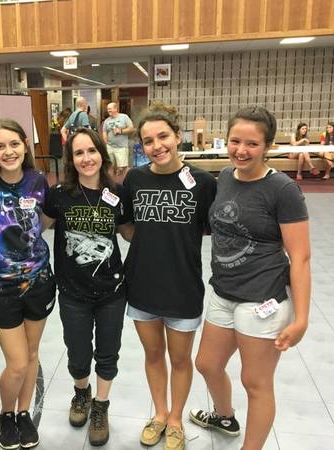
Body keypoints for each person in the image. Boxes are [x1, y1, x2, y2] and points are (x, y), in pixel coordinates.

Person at [189, 106, 311, 450]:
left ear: (267, 146)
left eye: (252, 144)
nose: (241, 150)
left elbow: (300, 258)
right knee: (207, 364)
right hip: (223, 292)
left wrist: (301, 318)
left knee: (255, 382)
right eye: (235, 141)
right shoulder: (226, 177)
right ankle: (225, 417)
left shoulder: (283, 190)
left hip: (263, 299)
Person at [123, 103, 217, 450]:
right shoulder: (135, 179)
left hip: (183, 286)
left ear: (178, 137)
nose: (156, 145)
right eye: (148, 141)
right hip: (143, 283)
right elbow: (127, 226)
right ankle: (160, 413)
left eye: (163, 136)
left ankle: (176, 418)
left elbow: (209, 228)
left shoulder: (203, 183)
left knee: (179, 359)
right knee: (152, 355)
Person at [41, 128, 133, 447]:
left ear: (102, 155)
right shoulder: (59, 195)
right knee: (78, 354)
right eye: (78, 153)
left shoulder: (118, 193)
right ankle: (82, 393)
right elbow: (36, 228)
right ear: (71, 159)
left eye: (91, 151)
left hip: (111, 292)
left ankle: (101, 407)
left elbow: (128, 232)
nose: (86, 158)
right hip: (72, 293)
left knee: (107, 353)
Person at [0, 119, 56, 450]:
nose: (8, 152)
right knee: (17, 362)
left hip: (38, 281)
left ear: (25, 145)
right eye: (0, 146)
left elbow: (43, 221)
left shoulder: (37, 180)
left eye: (14, 144)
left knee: (31, 354)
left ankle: (23, 414)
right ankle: (6, 414)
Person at [102, 102, 135, 177]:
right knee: (110, 166)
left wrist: (121, 131)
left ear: (116, 109)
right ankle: (111, 182)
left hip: (121, 147)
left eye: (110, 108)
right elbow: (104, 132)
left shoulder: (124, 117)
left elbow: (131, 128)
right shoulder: (107, 121)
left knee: (123, 168)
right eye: (107, 109)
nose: (108, 110)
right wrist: (105, 141)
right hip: (110, 147)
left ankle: (124, 181)